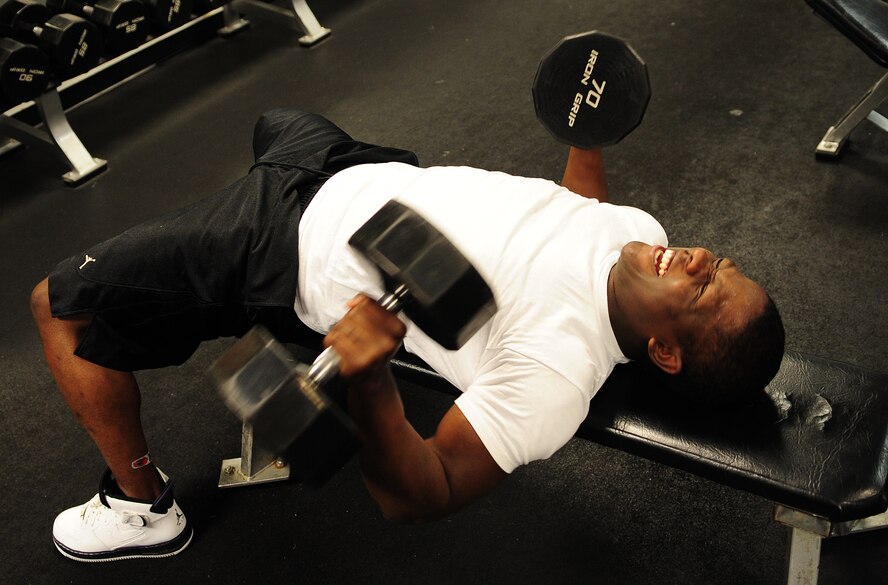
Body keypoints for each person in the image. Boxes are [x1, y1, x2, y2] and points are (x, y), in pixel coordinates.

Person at [30, 108, 785, 563]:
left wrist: (369, 378)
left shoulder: (555, 370)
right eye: (715, 260)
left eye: (702, 286)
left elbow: (425, 492)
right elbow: (577, 209)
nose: (694, 258)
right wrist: (585, 137)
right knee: (276, 116)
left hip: (282, 238)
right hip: (350, 165)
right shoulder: (640, 234)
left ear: (664, 350)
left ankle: (141, 508)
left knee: (57, 301)